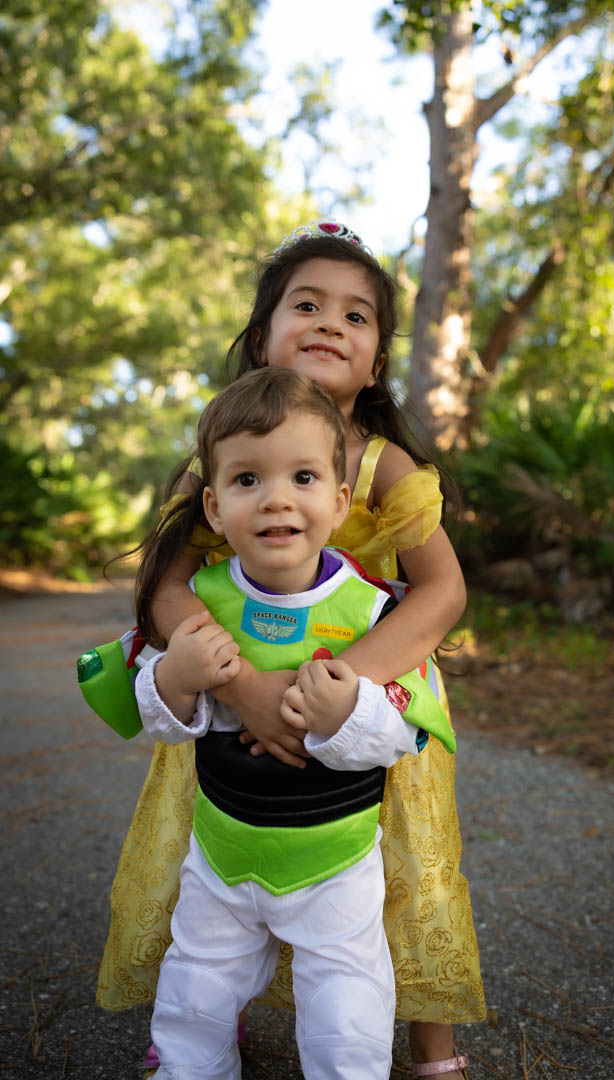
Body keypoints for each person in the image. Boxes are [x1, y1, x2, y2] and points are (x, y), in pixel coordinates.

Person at [98, 220, 485, 1080]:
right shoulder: (227, 450)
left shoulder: (381, 462)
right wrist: (240, 688)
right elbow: (166, 582)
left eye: (357, 316)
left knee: (404, 872)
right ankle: (209, 1013)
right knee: (219, 867)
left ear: (377, 360)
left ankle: (430, 1047)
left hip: (361, 687)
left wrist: (341, 689)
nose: (329, 323)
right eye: (305, 304)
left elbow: (444, 591)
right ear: (262, 334)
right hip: (233, 693)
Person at [133, 367, 455, 1079]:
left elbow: (415, 726)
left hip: (332, 864)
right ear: (213, 508)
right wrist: (173, 681)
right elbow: (154, 715)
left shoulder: (374, 612)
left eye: (303, 478)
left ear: (341, 501)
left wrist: (353, 715)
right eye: (249, 481)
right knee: (196, 990)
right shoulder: (201, 602)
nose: (277, 497)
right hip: (221, 856)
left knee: (347, 1011)